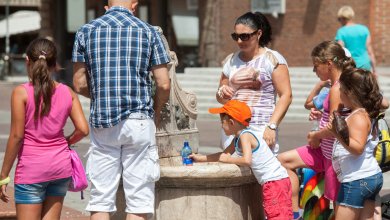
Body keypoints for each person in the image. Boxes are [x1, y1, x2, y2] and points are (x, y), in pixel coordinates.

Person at [72, 0, 170, 219]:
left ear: (107, 6)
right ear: (134, 5)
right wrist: (155, 109)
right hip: (139, 121)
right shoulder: (148, 31)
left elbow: (78, 84)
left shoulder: (86, 31)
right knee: (139, 202)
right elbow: (163, 83)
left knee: (100, 200)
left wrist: (101, 96)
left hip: (103, 122)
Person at [0, 38, 89, 219]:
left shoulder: (21, 92)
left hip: (31, 169)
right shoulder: (67, 92)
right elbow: (83, 130)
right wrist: (66, 141)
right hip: (60, 167)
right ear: (55, 64)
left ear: (27, 62)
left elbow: (17, 136)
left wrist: (3, 175)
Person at [278, 41, 356, 219]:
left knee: (338, 206)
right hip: (323, 150)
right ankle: (295, 214)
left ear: (329, 63)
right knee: (282, 162)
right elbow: (336, 117)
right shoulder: (336, 85)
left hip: (333, 157)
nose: (314, 71)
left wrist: (315, 135)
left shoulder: (338, 88)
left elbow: (335, 126)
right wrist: (321, 115)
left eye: (316, 66)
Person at [190, 100, 292, 220]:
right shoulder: (237, 138)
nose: (221, 126)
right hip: (278, 180)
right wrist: (200, 158)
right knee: (282, 215)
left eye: (222, 122)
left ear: (231, 122)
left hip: (274, 182)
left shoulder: (245, 136)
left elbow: (246, 160)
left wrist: (229, 160)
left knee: (277, 216)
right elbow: (224, 154)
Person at [216, 12, 292, 153]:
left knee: (262, 172)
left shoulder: (272, 59)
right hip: (232, 127)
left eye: (244, 36)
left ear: (258, 34)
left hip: (260, 128)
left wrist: (272, 126)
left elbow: (286, 95)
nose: (239, 41)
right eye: (235, 36)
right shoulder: (231, 60)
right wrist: (223, 91)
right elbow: (220, 98)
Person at [329, 68, 383, 219]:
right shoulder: (361, 112)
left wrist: (336, 134)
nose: (339, 95)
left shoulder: (358, 116)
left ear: (350, 92)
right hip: (366, 177)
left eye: (341, 91)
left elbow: (358, 148)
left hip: (357, 180)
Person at [335, 5, 376, 73]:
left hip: (351, 66)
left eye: (339, 19)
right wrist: (374, 70)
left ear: (343, 18)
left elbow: (340, 51)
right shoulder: (364, 29)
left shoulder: (341, 31)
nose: (339, 21)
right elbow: (370, 52)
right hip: (365, 65)